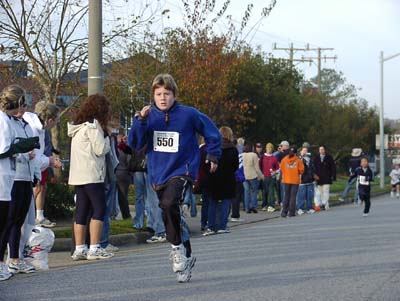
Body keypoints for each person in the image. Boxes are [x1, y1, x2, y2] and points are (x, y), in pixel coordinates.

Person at [128, 73, 221, 283]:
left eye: (167, 94)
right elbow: (135, 142)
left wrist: (213, 154)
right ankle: (186, 256)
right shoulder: (146, 116)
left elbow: (212, 132)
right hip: (159, 172)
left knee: (170, 204)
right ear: (153, 95)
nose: (163, 98)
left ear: (174, 95)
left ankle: (176, 248)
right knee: (171, 213)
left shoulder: (188, 114)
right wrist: (141, 121)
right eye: (159, 94)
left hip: (183, 170)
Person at [68, 94, 114, 261]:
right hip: (93, 175)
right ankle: (95, 247)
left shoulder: (78, 128)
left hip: (78, 175)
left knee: (81, 210)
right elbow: (100, 149)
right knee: (99, 209)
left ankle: (79, 248)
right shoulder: (94, 127)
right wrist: (108, 137)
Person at [0, 84, 39, 281]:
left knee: (17, 219)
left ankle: (14, 258)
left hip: (22, 175)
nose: (23, 109)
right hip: (11, 178)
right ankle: (10, 259)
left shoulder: (20, 123)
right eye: (21, 104)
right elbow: (6, 148)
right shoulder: (4, 121)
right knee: (9, 221)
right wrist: (22, 149)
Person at [23, 101, 62, 227]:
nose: (57, 123)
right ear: (50, 120)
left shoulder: (40, 129)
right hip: (22, 174)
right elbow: (33, 157)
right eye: (57, 120)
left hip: (30, 171)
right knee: (19, 219)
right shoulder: (33, 129)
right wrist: (50, 161)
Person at [203, 126, 238, 236]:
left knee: (212, 202)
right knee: (225, 202)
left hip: (214, 178)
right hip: (227, 178)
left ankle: (211, 226)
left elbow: (207, 163)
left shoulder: (213, 148)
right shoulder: (233, 149)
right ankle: (222, 225)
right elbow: (235, 166)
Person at [280, 146, 304, 217]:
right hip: (295, 180)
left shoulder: (284, 160)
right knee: (293, 197)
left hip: (286, 180)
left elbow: (281, 168)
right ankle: (291, 212)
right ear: (296, 153)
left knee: (286, 196)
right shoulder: (298, 160)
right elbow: (301, 170)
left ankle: (284, 212)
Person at [313, 145, 336, 211]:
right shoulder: (316, 158)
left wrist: (333, 176)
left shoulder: (329, 157)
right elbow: (313, 167)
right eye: (320, 149)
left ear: (325, 150)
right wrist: (314, 175)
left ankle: (323, 203)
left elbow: (333, 167)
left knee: (326, 191)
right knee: (320, 192)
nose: (321, 151)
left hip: (327, 177)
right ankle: (325, 205)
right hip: (318, 178)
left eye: (322, 149)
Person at [242, 144, 263, 213]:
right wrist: (261, 175)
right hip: (252, 175)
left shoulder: (242, 155)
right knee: (254, 191)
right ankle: (253, 206)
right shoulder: (254, 155)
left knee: (246, 191)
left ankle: (246, 207)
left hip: (244, 175)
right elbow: (257, 167)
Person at [260, 143, 279, 212]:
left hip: (271, 177)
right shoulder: (262, 157)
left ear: (272, 149)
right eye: (268, 148)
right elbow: (260, 167)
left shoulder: (274, 158)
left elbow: (277, 168)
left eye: (270, 148)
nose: (269, 149)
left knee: (271, 192)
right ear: (266, 148)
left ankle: (271, 205)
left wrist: (275, 172)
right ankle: (264, 205)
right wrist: (260, 175)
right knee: (264, 192)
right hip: (264, 176)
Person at [296, 146, 315, 215]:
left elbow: (312, 168)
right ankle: (300, 208)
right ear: (301, 151)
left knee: (309, 195)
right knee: (301, 195)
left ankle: (309, 208)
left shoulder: (310, 159)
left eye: (306, 150)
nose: (305, 152)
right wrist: (301, 157)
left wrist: (313, 176)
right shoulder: (298, 158)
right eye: (303, 150)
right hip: (302, 180)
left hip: (310, 180)